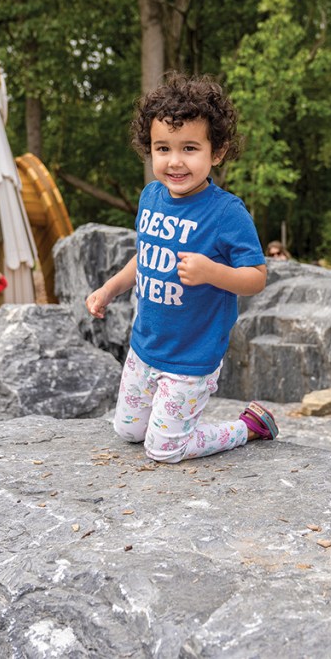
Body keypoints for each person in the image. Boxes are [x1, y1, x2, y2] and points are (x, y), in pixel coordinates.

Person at [85, 72, 278, 465]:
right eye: (162, 148)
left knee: (163, 449)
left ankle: (248, 426)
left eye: (190, 148)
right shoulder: (151, 196)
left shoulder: (227, 213)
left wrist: (212, 272)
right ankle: (167, 418)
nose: (174, 161)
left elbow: (257, 278)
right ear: (149, 149)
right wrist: (109, 289)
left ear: (217, 151)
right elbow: (146, 255)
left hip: (192, 357)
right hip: (145, 346)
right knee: (126, 432)